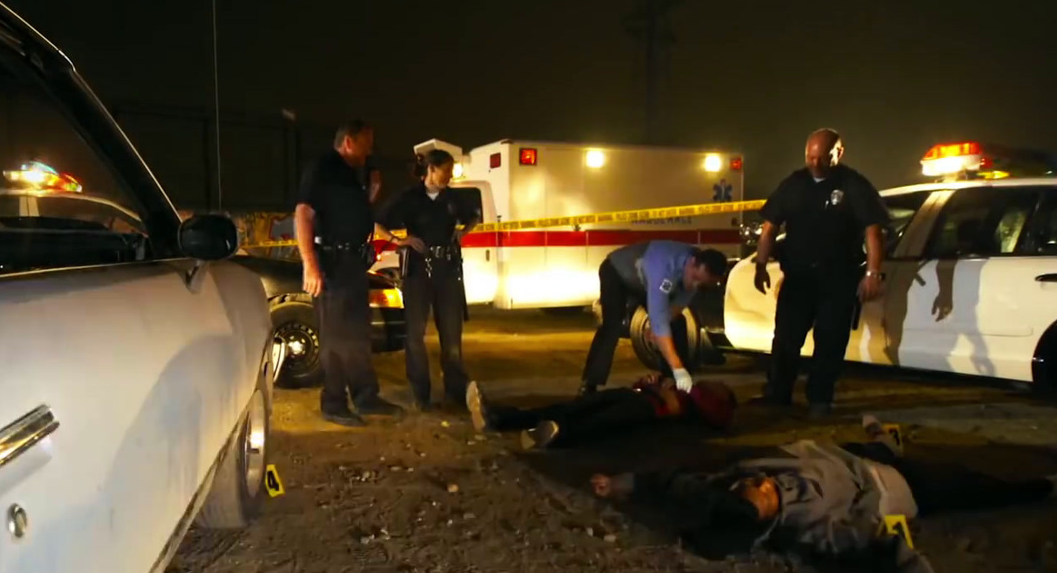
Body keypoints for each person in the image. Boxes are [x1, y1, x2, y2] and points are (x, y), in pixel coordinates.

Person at [588, 415, 1057, 573]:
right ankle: (1052, 487)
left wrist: (623, 484)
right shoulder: (818, 527)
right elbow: (882, 543)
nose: (762, 482)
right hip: (899, 489)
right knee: (974, 485)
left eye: (755, 483)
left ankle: (884, 439)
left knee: (868, 448)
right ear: (768, 518)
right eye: (764, 493)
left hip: (847, 457)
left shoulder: (727, 485)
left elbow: (670, 480)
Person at [751, 129, 892, 418]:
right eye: (810, 156)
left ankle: (820, 398)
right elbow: (769, 228)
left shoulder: (854, 185)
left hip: (837, 280)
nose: (815, 163)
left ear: (838, 153)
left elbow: (873, 232)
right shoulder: (794, 184)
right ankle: (778, 394)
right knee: (786, 340)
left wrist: (873, 273)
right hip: (799, 279)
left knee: (829, 341)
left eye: (822, 157)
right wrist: (761, 265)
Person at [294, 119, 405, 426]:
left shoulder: (354, 174)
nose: (370, 150)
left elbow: (351, 216)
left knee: (358, 333)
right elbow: (304, 213)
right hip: (331, 263)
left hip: (354, 264)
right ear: (348, 141)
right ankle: (333, 402)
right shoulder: (323, 168)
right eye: (366, 142)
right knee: (336, 337)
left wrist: (372, 193)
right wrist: (310, 263)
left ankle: (365, 396)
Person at [375, 149, 481, 411]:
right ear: (431, 170)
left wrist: (462, 233)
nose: (449, 175)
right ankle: (420, 393)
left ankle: (455, 391)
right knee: (415, 336)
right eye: (445, 169)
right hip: (418, 271)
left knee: (452, 335)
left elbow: (474, 217)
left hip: (447, 270)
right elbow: (376, 221)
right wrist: (400, 241)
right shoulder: (409, 197)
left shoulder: (453, 197)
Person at [580, 241, 729, 395]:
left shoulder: (695, 273)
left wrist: (657, 332)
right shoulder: (664, 269)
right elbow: (660, 322)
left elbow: (674, 309)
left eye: (701, 284)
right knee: (612, 325)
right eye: (695, 278)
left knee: (678, 323)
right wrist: (677, 366)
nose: (694, 285)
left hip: (643, 279)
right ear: (692, 263)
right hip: (616, 271)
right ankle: (589, 384)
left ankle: (672, 382)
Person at [467, 372, 736, 449]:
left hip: (646, 409)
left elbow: (677, 408)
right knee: (569, 408)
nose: (717, 381)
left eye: (721, 384)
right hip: (636, 397)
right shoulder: (691, 386)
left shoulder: (712, 401)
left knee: (596, 421)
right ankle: (498, 417)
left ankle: (554, 436)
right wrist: (652, 382)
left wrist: (664, 389)